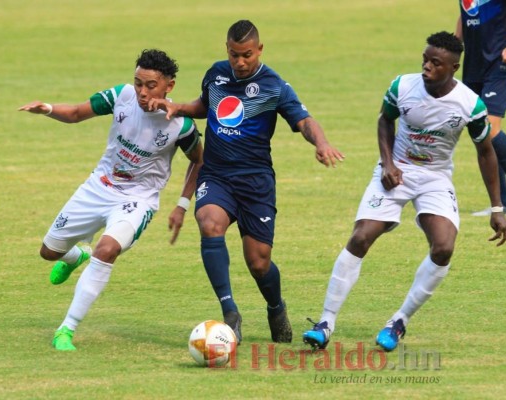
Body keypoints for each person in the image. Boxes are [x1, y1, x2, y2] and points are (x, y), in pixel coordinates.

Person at [303, 32, 506, 352]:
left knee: (443, 247)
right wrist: (387, 164)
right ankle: (326, 321)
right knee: (361, 237)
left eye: (435, 63)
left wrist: (497, 209)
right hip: (395, 170)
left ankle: (399, 321)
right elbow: (385, 122)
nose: (427, 66)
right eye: (425, 60)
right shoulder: (402, 86)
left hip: (435, 178)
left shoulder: (470, 104)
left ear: (454, 67)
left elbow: (486, 152)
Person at [163, 20, 344, 344]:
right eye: (234, 55)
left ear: (259, 50)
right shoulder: (216, 74)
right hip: (217, 175)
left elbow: (303, 120)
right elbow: (206, 106)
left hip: (255, 183)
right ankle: (230, 312)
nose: (240, 62)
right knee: (208, 222)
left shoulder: (274, 85)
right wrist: (179, 108)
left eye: (246, 55)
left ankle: (276, 307)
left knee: (259, 262)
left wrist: (321, 142)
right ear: (227, 51)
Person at [19, 49, 204, 351]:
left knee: (106, 250)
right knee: (48, 252)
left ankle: (66, 329)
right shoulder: (122, 96)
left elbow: (199, 161)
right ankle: (76, 256)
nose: (143, 92)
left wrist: (182, 204)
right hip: (98, 188)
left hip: (137, 200)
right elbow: (78, 113)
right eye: (138, 83)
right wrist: (48, 108)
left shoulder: (179, 125)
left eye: (151, 86)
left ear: (169, 86)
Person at [456, 0, 506, 217]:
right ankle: (499, 202)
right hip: (474, 65)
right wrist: (455, 44)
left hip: (501, 64)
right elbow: (465, 13)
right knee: (479, 132)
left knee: (490, 128)